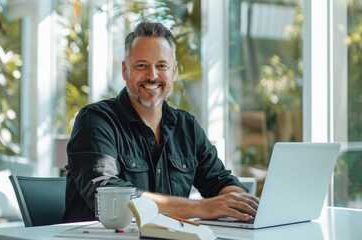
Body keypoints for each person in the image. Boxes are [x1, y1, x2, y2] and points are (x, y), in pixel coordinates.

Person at [63, 21, 259, 223]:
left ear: (174, 71)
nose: (152, 75)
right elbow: (108, 197)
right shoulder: (95, 121)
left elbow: (218, 180)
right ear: (124, 70)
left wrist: (239, 201)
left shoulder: (187, 126)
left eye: (161, 66)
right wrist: (203, 207)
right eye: (142, 66)